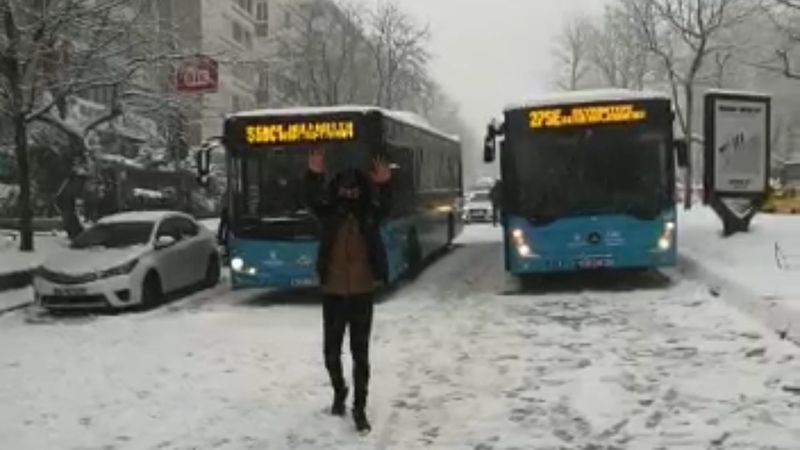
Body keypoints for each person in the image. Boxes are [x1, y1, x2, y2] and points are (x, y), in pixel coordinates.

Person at [305, 148, 392, 435]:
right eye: (345, 190)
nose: (350, 194)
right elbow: (311, 200)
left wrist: (385, 183)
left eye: (355, 190)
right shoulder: (330, 216)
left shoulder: (369, 216)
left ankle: (360, 409)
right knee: (331, 352)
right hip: (333, 293)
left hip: (362, 294)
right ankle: (339, 390)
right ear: (337, 190)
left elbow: (387, 206)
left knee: (360, 355)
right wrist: (314, 175)